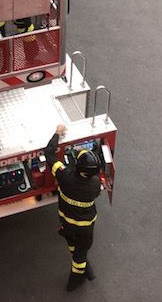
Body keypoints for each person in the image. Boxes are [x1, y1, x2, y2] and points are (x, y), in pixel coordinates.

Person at [43, 123, 102, 291]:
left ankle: (77, 279)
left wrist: (57, 133)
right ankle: (81, 275)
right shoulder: (95, 184)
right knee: (80, 253)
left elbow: (48, 154)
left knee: (77, 252)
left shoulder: (65, 176)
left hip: (67, 223)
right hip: (86, 227)